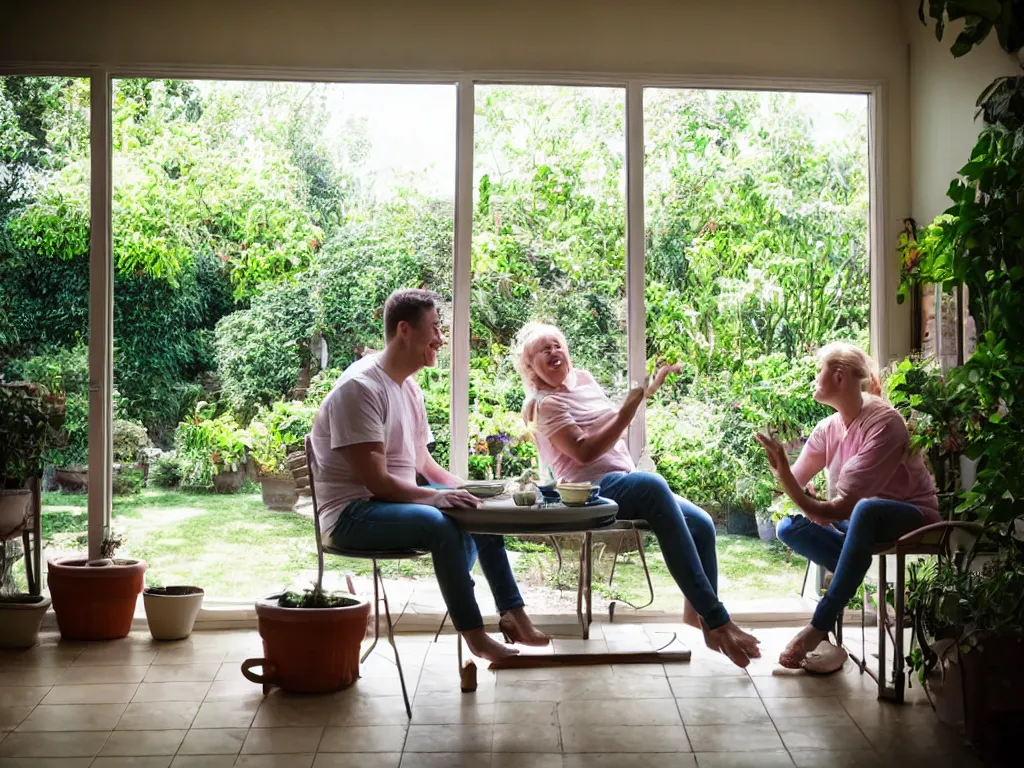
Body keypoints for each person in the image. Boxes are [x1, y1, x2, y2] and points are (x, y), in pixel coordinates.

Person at [309, 288, 548, 663]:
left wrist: (479, 491)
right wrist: (435, 498)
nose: (440, 338)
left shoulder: (409, 387)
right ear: (404, 330)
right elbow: (377, 482)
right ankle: (476, 637)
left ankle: (512, 613)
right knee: (440, 525)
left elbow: (425, 466)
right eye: (435, 328)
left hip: (389, 502)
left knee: (478, 509)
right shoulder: (360, 388)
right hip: (351, 513)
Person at [514, 321, 762, 668]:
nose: (554, 352)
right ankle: (718, 619)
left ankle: (702, 620)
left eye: (557, 345)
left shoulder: (583, 379)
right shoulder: (545, 404)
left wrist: (643, 394)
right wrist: (630, 407)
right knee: (652, 484)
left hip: (621, 480)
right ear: (530, 367)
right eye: (543, 350)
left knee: (702, 523)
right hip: (589, 493)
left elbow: (606, 420)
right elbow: (584, 451)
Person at [755, 341, 939, 670]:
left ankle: (818, 626)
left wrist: (788, 476)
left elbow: (843, 508)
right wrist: (780, 468)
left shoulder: (884, 423)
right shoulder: (829, 427)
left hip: (912, 516)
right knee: (789, 525)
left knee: (866, 510)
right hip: (858, 521)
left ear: (839, 377)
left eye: (818, 371)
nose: (814, 378)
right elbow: (795, 485)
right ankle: (855, 569)